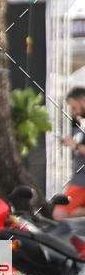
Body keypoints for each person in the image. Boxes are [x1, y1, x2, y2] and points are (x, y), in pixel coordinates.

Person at [53, 86, 85, 220]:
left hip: (81, 182)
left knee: (59, 214)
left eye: (74, 107)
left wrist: (75, 146)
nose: (74, 112)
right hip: (79, 181)